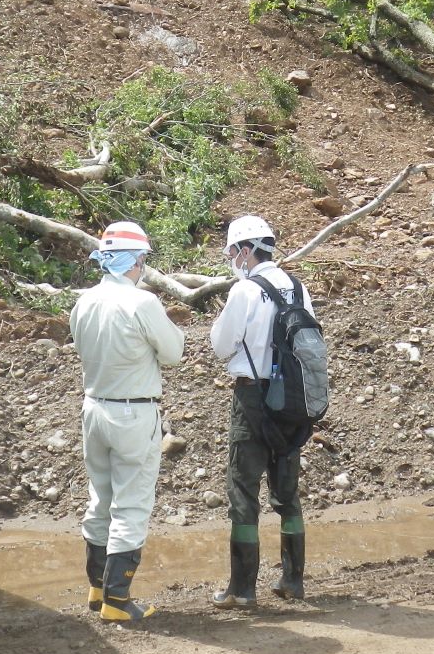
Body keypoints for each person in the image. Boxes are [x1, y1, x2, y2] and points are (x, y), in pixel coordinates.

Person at [69, 221, 185, 623]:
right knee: (131, 504)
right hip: (133, 412)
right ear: (134, 261)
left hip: (94, 407)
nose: (142, 268)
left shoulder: (83, 302)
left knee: (99, 498)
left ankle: (97, 588)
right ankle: (117, 600)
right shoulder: (142, 303)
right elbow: (173, 352)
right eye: (141, 261)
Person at [208, 214, 315, 609]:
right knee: (286, 491)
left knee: (243, 490)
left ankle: (242, 588)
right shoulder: (298, 288)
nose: (232, 258)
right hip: (293, 400)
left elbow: (221, 345)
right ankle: (293, 580)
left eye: (234, 251)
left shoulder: (246, 291)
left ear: (247, 250)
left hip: (253, 398)